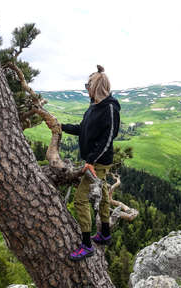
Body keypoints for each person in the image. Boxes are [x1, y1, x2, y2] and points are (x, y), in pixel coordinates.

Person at [61, 65, 121, 261]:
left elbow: (108, 137)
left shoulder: (110, 107)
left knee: (80, 199)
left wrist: (91, 161)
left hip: (99, 163)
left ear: (96, 86)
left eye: (88, 85)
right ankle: (104, 233)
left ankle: (87, 245)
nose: (86, 88)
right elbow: (82, 129)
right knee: (103, 195)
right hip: (94, 162)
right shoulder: (93, 107)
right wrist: (60, 126)